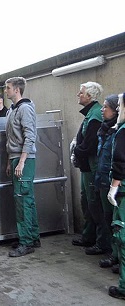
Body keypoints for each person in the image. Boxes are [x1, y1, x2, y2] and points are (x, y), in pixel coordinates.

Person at [71, 82, 109, 256]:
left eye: (81, 93)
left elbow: (89, 146)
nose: (78, 95)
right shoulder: (91, 114)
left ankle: (102, 242)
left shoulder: (95, 116)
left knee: (95, 205)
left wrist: (75, 149)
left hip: (92, 168)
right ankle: (89, 236)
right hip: (87, 167)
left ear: (90, 96)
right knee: (86, 202)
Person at [4, 77, 40, 257]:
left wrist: (22, 161)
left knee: (23, 200)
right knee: (27, 199)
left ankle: (26, 242)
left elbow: (30, 136)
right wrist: (10, 160)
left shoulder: (25, 108)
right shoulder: (13, 109)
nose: (6, 90)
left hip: (23, 159)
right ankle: (32, 236)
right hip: (16, 157)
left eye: (8, 88)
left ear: (17, 90)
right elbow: (11, 137)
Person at [95, 95, 119, 271]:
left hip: (115, 183)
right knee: (107, 217)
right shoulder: (105, 130)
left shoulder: (119, 131)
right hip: (103, 180)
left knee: (117, 221)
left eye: (105, 107)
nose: (102, 110)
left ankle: (118, 256)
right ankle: (115, 254)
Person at [107, 92, 125, 300]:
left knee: (122, 236)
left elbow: (120, 161)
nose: (118, 109)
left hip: (123, 191)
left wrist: (114, 187)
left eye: (120, 105)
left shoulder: (122, 132)